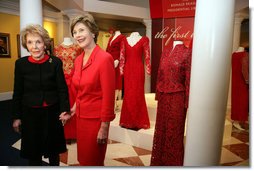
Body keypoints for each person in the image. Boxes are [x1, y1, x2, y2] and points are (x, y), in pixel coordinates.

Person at [12, 24, 71, 166]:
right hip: (30, 114)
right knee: (34, 152)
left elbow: (62, 89)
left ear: (45, 43)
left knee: (53, 151)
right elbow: (18, 92)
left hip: (52, 113)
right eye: (30, 42)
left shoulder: (55, 62)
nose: (35, 46)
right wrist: (16, 117)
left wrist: (65, 110)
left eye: (38, 42)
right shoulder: (20, 64)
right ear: (26, 44)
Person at [69, 13, 115, 166]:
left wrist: (104, 127)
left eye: (81, 30)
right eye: (75, 32)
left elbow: (109, 96)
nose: (78, 35)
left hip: (96, 122)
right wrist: (73, 110)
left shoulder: (104, 58)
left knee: (93, 161)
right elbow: (80, 92)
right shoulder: (78, 60)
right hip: (81, 119)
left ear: (93, 32)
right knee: (83, 160)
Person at [150, 40, 192, 166]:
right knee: (161, 129)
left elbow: (189, 78)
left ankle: (174, 163)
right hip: (163, 96)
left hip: (177, 97)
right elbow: (160, 74)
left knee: (175, 131)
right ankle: (160, 161)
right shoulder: (166, 51)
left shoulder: (187, 52)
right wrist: (158, 94)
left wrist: (188, 101)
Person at [119, 31, 151, 130]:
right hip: (128, 69)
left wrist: (148, 69)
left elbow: (147, 56)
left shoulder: (144, 40)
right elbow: (122, 56)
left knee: (138, 93)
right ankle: (127, 120)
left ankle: (138, 120)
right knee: (128, 93)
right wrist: (121, 69)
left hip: (138, 69)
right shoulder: (124, 40)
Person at [54, 37, 83, 142]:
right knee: (62, 106)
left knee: (73, 106)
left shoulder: (78, 48)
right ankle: (64, 134)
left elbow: (80, 64)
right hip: (60, 81)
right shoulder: (56, 48)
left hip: (73, 80)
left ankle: (75, 133)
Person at [106, 30, 125, 111]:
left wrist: (118, 60)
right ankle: (113, 103)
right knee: (110, 81)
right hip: (110, 61)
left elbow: (123, 50)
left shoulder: (122, 38)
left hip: (116, 62)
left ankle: (114, 103)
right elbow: (107, 49)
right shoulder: (111, 38)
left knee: (116, 82)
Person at [231, 46, 249, 131]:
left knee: (236, 101)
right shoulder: (244, 55)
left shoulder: (233, 55)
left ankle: (236, 119)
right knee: (242, 101)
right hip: (242, 81)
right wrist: (248, 80)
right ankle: (237, 121)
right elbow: (244, 69)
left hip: (235, 81)